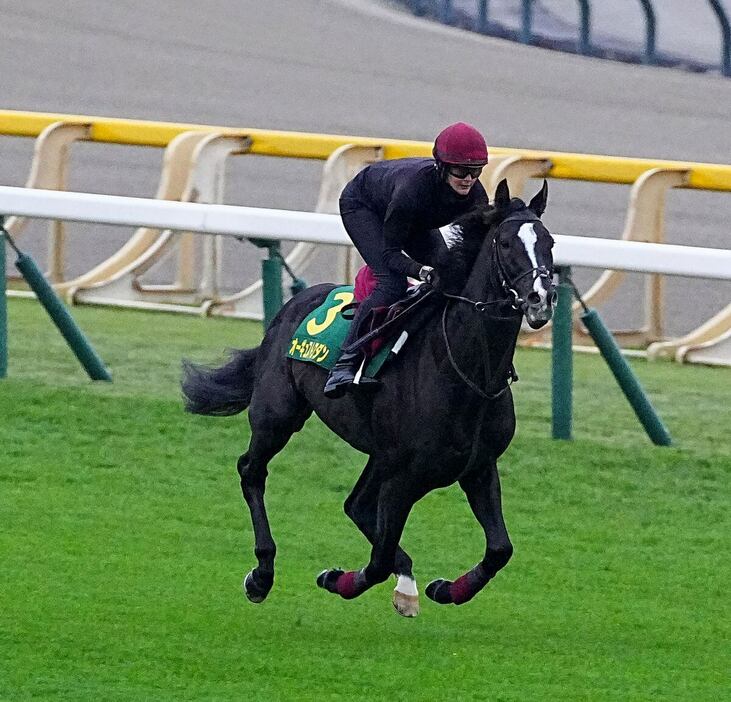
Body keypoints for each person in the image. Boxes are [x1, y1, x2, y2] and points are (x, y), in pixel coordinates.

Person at [323, 122, 490, 398]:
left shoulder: (476, 195)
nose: (469, 179)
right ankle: (345, 363)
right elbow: (390, 254)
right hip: (364, 206)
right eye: (461, 171)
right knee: (392, 282)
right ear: (442, 167)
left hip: (414, 220)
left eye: (476, 171)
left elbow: (477, 246)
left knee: (449, 276)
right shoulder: (411, 191)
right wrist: (422, 271)